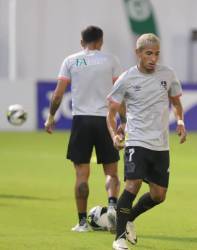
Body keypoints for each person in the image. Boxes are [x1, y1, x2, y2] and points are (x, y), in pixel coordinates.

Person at [106, 33, 187, 250]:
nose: (153, 58)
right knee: (133, 185)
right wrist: (116, 132)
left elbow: (177, 102)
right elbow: (111, 109)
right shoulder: (127, 78)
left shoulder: (168, 75)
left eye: (157, 54)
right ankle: (119, 238)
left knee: (158, 195)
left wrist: (180, 120)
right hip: (137, 141)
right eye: (149, 53)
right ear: (138, 53)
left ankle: (128, 218)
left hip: (161, 145)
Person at [44, 25, 122, 232]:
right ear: (101, 42)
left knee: (81, 175)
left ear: (82, 42)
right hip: (106, 121)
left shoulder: (71, 61)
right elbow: (119, 94)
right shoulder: (111, 60)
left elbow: (58, 94)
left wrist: (51, 117)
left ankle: (81, 223)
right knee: (112, 172)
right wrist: (123, 122)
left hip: (81, 121)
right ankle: (113, 208)